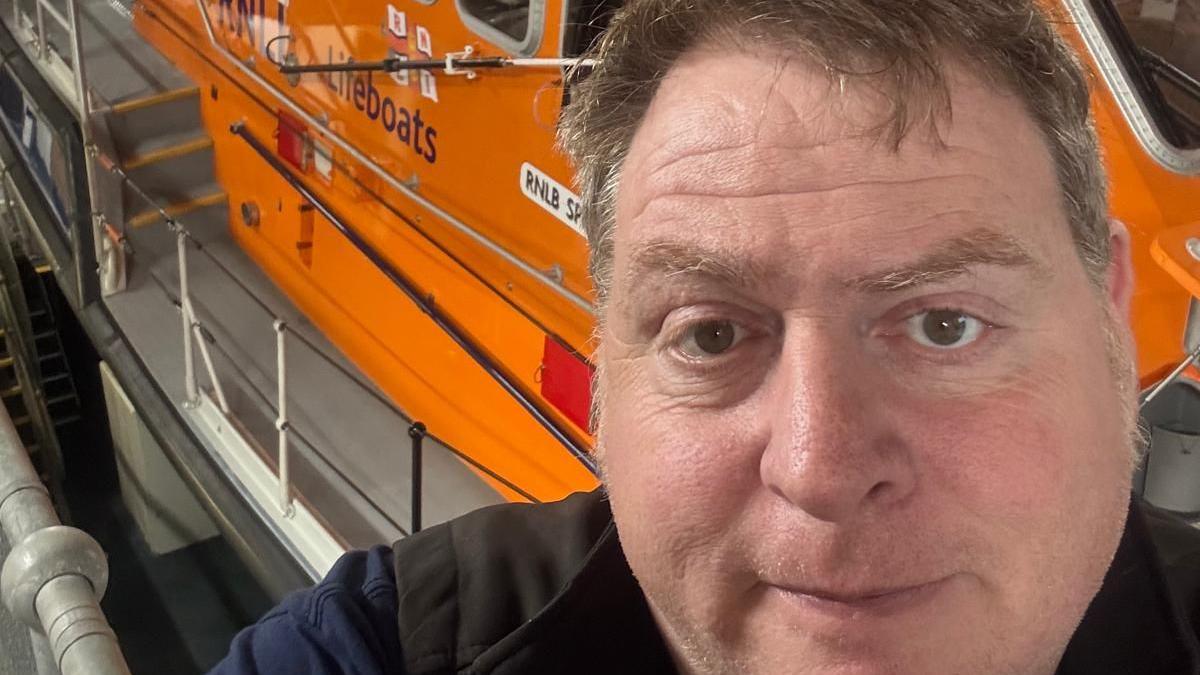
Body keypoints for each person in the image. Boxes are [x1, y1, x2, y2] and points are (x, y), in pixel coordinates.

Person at [209, 0, 1200, 673]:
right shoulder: (392, 644)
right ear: (609, 360)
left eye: (947, 324)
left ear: (1106, 306)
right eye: (712, 332)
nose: (819, 467)